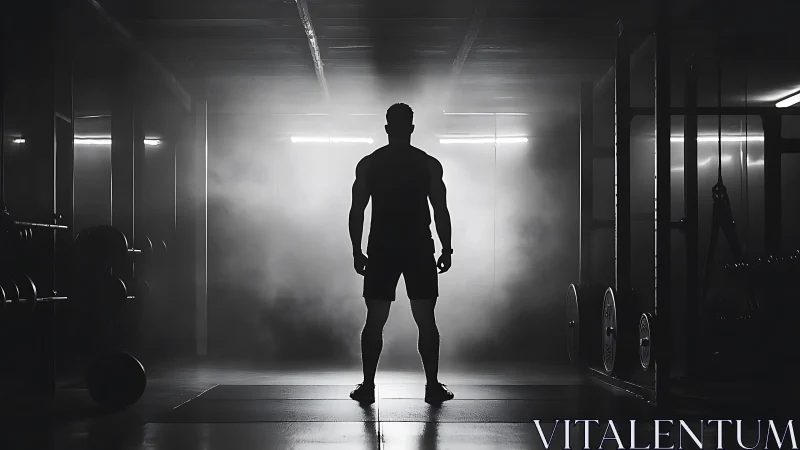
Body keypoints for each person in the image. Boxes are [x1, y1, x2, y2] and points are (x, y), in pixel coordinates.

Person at [348, 103, 454, 405]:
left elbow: (357, 212)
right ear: (410, 128)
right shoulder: (428, 164)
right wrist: (446, 247)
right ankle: (431, 387)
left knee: (375, 317)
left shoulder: (370, 164)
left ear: (387, 129)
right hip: (418, 245)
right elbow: (441, 210)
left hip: (382, 247)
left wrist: (357, 250)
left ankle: (368, 387)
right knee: (425, 318)